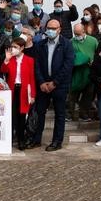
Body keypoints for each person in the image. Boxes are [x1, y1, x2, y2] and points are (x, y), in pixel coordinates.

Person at [31, 19, 74, 151]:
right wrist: (41, 82)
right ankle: (36, 139)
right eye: (49, 27)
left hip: (59, 85)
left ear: (59, 29)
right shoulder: (40, 44)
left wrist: (55, 83)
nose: (51, 30)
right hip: (43, 84)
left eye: (54, 28)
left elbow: (68, 66)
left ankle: (57, 141)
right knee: (40, 113)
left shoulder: (66, 44)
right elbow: (36, 65)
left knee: (60, 114)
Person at [1, 37, 36, 150]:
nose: (13, 49)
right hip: (11, 89)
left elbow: (32, 78)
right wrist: (6, 60)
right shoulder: (10, 59)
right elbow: (3, 71)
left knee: (22, 116)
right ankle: (9, 139)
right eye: (12, 47)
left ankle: (21, 139)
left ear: (22, 48)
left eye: (15, 47)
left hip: (24, 90)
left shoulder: (29, 60)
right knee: (11, 115)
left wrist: (33, 95)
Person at [68, 23, 98, 122]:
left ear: (83, 31)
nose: (77, 36)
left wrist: (94, 61)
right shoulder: (71, 42)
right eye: (75, 34)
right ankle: (69, 114)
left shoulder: (93, 41)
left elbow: (98, 54)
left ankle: (83, 114)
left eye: (78, 34)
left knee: (88, 94)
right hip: (76, 72)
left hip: (90, 71)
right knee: (73, 93)